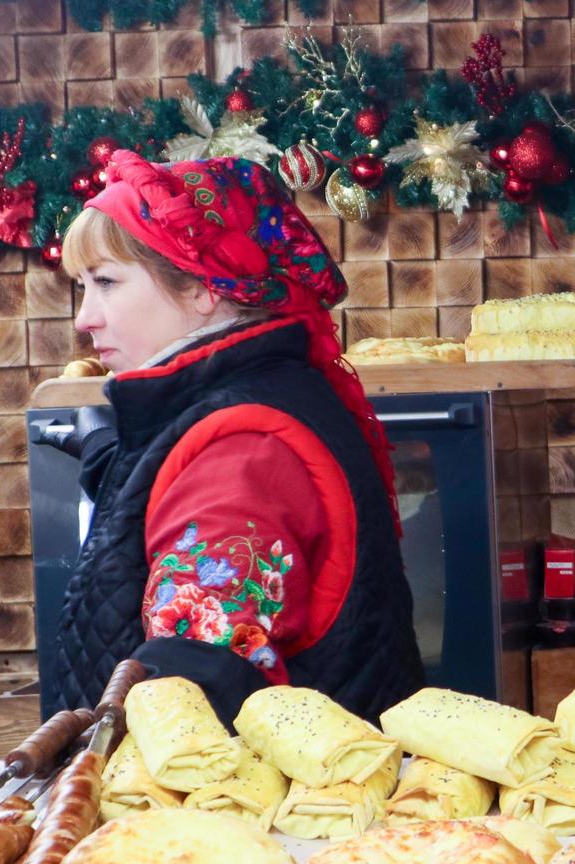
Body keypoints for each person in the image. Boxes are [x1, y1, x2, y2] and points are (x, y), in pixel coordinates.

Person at [42, 151, 424, 724]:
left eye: (106, 283)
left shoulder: (241, 447)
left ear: (201, 288)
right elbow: (176, 504)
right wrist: (107, 454)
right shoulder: (252, 392)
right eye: (82, 286)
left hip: (261, 810)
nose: (84, 318)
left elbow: (194, 690)